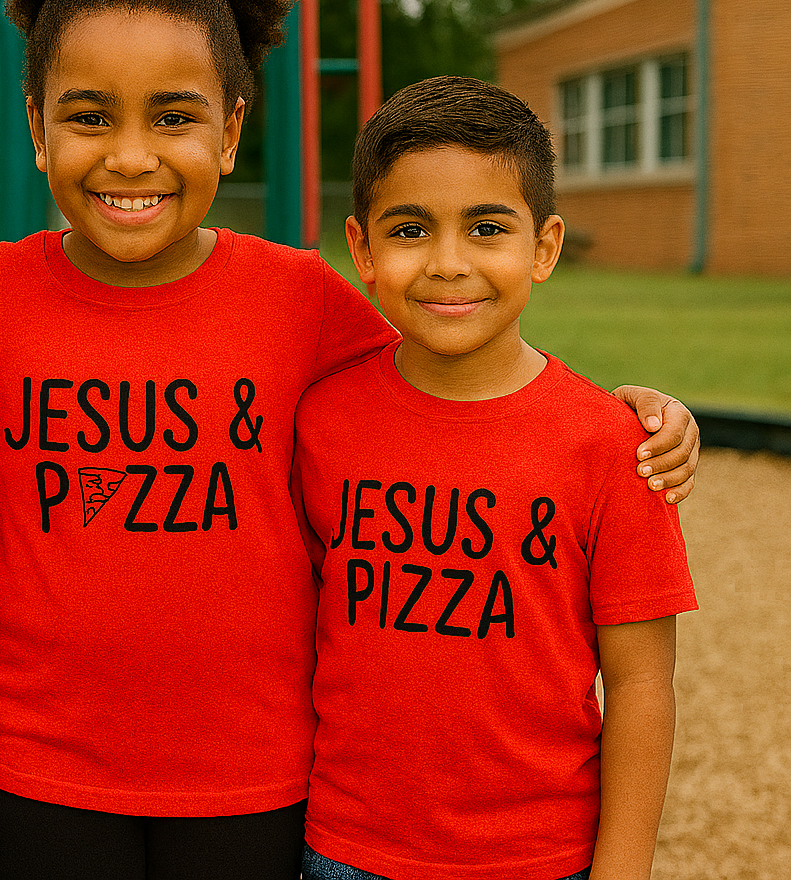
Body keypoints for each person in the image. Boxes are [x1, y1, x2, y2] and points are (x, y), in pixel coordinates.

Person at [0, 0, 699, 878]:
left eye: (173, 117)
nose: (131, 155)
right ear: (38, 129)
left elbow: (452, 357)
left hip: (257, 776)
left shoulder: (300, 297)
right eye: (90, 117)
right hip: (37, 770)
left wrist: (637, 411)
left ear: (228, 129)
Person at [291, 75, 695, 880]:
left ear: (543, 248)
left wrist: (622, 870)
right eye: (410, 229)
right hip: (346, 848)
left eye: (486, 228)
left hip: (538, 857)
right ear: (362, 249)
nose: (448, 264)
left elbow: (642, 684)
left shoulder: (613, 445)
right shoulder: (320, 418)